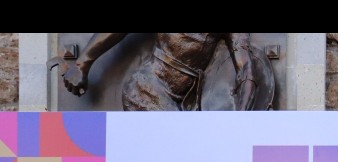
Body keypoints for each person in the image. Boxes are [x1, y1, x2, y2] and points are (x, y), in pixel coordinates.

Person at [60, 33, 259, 111]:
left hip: (187, 102)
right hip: (147, 89)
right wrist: (81, 64)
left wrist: (242, 115)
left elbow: (246, 68)